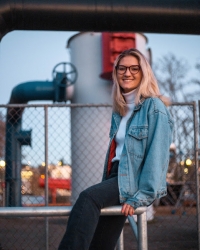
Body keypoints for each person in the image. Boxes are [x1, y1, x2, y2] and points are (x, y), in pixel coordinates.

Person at [58, 48, 173, 250]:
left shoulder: (154, 107)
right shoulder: (120, 111)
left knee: (88, 198)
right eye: (122, 68)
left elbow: (157, 156)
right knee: (101, 244)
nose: (127, 73)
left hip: (130, 180)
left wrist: (142, 195)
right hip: (114, 177)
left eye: (134, 68)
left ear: (143, 73)